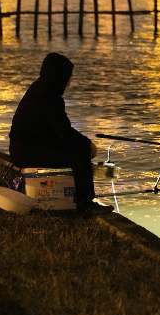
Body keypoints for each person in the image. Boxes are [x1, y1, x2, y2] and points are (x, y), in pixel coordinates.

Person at [9, 52, 112, 214]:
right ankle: (85, 204)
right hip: (27, 152)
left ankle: (75, 197)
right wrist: (87, 145)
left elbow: (54, 131)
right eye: (68, 77)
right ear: (60, 77)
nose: (69, 82)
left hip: (24, 148)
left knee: (75, 150)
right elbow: (64, 132)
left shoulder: (38, 89)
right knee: (80, 154)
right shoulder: (50, 97)